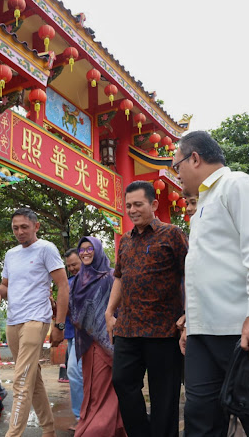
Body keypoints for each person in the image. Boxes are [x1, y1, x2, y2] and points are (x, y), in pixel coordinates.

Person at [173, 130, 249, 437]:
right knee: (199, 415)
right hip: (203, 330)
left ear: (194, 158)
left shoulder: (237, 185)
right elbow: (208, 270)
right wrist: (190, 321)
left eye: (177, 166)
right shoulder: (201, 207)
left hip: (240, 326)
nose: (177, 175)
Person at [105, 181, 188, 437]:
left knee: (164, 395)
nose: (132, 210)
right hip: (128, 328)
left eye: (138, 204)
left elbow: (192, 274)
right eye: (128, 205)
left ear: (153, 204)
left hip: (164, 329)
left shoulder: (172, 234)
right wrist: (110, 312)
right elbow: (119, 277)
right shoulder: (126, 241)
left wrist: (190, 313)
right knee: (122, 381)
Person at [0, 208, 69, 437]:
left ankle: (13, 434)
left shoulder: (46, 249)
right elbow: (5, 286)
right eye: (15, 228)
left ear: (36, 226)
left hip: (36, 319)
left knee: (20, 380)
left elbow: (63, 286)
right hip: (13, 321)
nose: (20, 232)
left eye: (24, 227)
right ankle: (49, 429)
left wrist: (59, 325)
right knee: (33, 378)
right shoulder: (11, 254)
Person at [72, 237, 126, 437]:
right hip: (88, 345)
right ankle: (105, 426)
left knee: (108, 388)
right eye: (82, 249)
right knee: (92, 389)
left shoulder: (112, 276)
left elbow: (122, 306)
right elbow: (74, 311)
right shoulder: (78, 279)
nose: (85, 253)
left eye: (89, 249)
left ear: (98, 250)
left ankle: (97, 429)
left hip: (111, 342)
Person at [64, 248, 84, 430]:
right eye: (69, 266)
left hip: (88, 335)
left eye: (74, 264)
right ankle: (81, 415)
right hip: (71, 335)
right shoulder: (68, 283)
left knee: (75, 373)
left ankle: (83, 416)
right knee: (76, 373)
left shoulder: (94, 280)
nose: (72, 268)